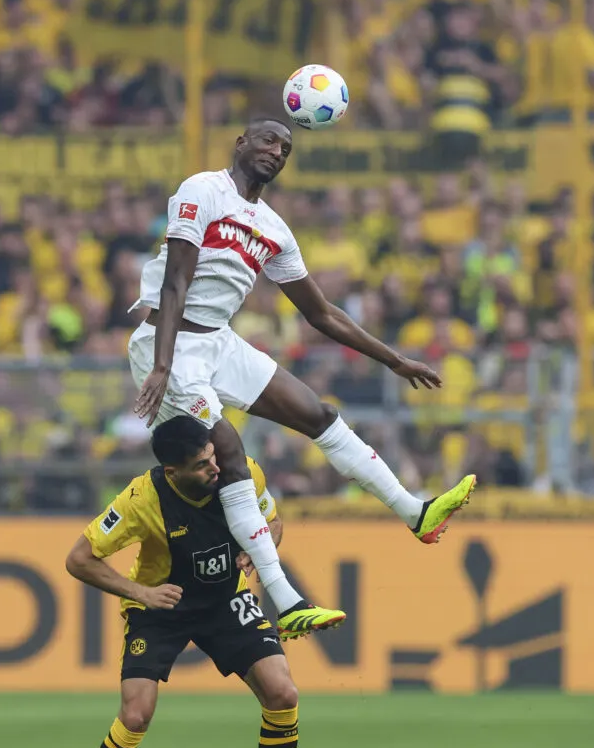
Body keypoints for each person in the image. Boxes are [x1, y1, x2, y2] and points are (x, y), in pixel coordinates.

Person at [129, 118, 477, 641]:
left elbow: (323, 314)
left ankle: (415, 512)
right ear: (240, 142)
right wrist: (161, 365)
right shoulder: (202, 190)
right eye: (268, 140)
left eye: (286, 147)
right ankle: (287, 601)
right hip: (169, 343)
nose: (277, 151)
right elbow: (177, 279)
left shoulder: (274, 229)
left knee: (318, 414)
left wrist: (393, 359)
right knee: (227, 449)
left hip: (218, 342)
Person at [59, 415, 323, 748]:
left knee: (283, 693)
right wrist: (140, 592)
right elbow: (78, 559)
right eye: (202, 465)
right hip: (162, 607)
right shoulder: (142, 499)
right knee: (136, 715)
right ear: (173, 472)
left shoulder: (241, 470)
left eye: (212, 456)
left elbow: (273, 522)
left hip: (226, 601)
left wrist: (259, 550)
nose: (214, 468)